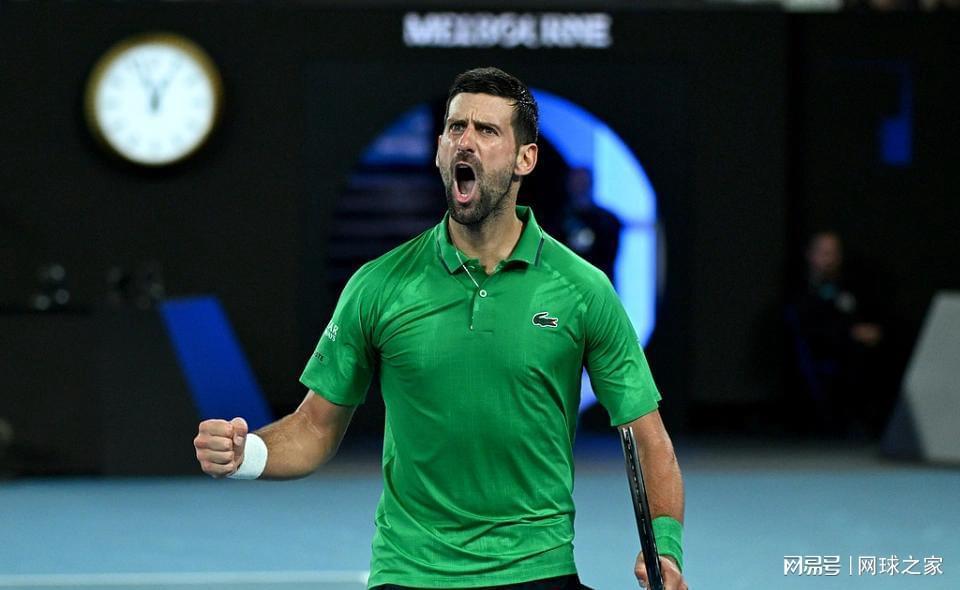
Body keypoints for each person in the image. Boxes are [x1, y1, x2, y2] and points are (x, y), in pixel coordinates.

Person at [194, 67, 687, 590]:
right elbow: (315, 427)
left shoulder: (583, 290)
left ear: (525, 159)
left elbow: (648, 439)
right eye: (455, 128)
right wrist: (246, 454)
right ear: (438, 151)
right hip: (410, 571)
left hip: (536, 568)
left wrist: (666, 550)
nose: (465, 142)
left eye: (486, 130)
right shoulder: (378, 285)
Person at [787, 231, 888, 436]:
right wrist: (850, 334)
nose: (829, 260)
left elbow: (858, 317)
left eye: (833, 253)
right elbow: (810, 331)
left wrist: (867, 332)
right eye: (824, 253)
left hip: (854, 351)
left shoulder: (847, 289)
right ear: (810, 255)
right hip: (822, 354)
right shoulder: (799, 292)